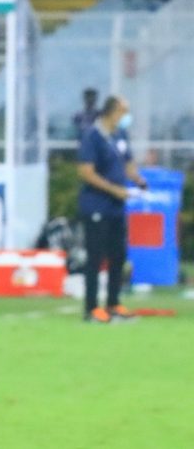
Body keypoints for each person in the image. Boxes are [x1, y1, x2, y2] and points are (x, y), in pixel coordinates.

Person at [77, 95, 147, 323]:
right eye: (123, 111)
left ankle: (114, 303)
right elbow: (86, 172)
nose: (126, 116)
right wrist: (113, 189)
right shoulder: (93, 136)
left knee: (118, 256)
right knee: (95, 257)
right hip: (96, 206)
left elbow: (127, 164)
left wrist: (138, 180)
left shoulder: (120, 135)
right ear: (112, 112)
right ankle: (91, 308)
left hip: (117, 207)